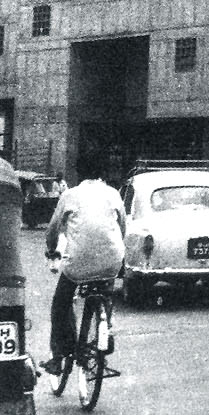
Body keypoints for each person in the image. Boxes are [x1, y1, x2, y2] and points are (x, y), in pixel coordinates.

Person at [43, 158, 127, 376]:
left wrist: (52, 250)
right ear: (102, 174)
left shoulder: (70, 195)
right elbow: (122, 229)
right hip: (111, 262)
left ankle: (60, 355)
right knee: (106, 292)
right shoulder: (114, 193)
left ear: (79, 174)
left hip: (78, 266)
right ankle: (106, 327)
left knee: (60, 303)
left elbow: (52, 230)